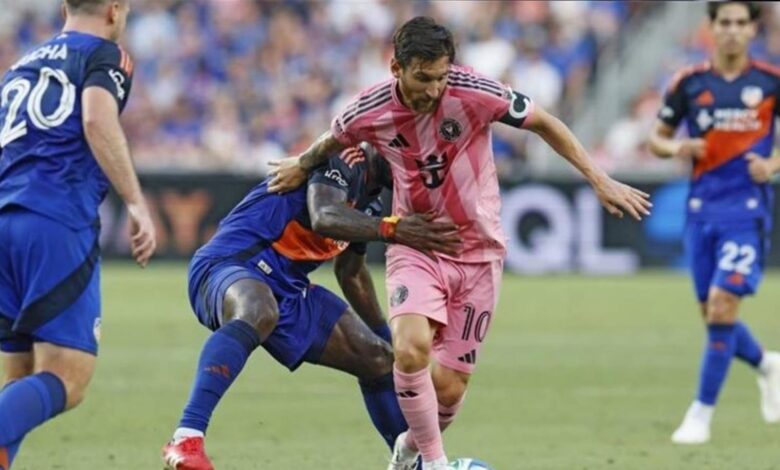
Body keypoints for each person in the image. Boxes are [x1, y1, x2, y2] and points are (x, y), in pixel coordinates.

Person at [268, 15, 651, 470]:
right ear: (397, 68)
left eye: (441, 77)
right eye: (423, 78)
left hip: (479, 252)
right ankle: (435, 464)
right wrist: (302, 163)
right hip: (418, 242)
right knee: (410, 347)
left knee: (448, 390)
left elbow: (545, 122)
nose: (434, 89)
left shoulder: (475, 91)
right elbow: (334, 138)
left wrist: (599, 179)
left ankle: (408, 450)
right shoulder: (370, 108)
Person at [162, 144, 460, 470]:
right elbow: (324, 216)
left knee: (377, 359)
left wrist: (387, 338)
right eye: (409, 159)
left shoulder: (372, 202)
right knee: (258, 310)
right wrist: (393, 229)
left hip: (287, 289)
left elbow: (351, 274)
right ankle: (187, 438)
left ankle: (412, 466)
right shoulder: (343, 158)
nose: (413, 169)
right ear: (383, 144)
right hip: (231, 263)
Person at [0, 0, 156, 468]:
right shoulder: (105, 55)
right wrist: (135, 202)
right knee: (68, 377)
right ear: (114, 9)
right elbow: (95, 118)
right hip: (54, 218)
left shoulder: (21, 66)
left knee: (20, 376)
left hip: (5, 218)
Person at [649, 0, 780, 445]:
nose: (732, 30)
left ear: (753, 29)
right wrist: (677, 149)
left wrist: (773, 164)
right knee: (712, 315)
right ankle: (766, 363)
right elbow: (657, 138)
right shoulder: (690, 83)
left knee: (723, 307)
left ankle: (700, 415)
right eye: (725, 22)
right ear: (712, 27)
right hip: (701, 211)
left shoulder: (770, 82)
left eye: (741, 23)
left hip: (746, 212)